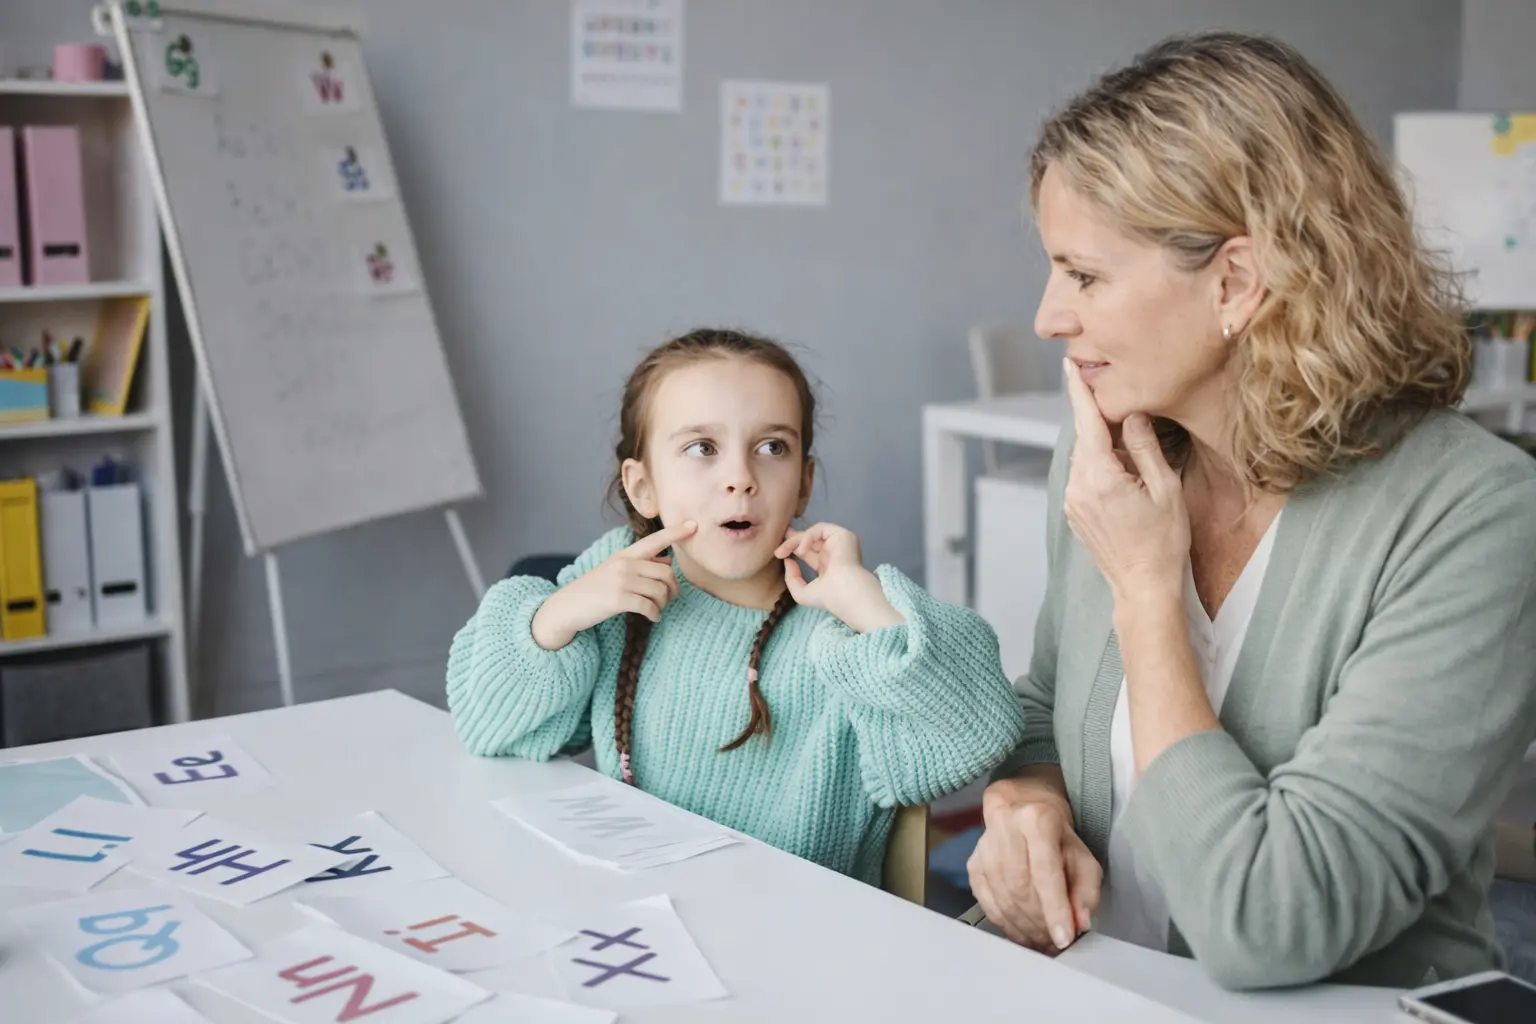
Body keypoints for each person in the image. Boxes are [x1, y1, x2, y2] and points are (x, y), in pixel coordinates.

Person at [965, 31, 1536, 989]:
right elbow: (1044, 710)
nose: (1048, 317)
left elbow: (1273, 925)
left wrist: (1151, 597)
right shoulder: (1111, 449)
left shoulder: (1477, 520)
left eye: (1086, 275)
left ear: (1235, 281)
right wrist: (1022, 806)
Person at [448, 327, 1026, 886]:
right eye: (702, 448)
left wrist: (868, 608)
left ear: (803, 483)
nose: (740, 479)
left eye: (772, 447)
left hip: (801, 942)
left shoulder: (841, 625)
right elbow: (488, 729)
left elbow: (976, 738)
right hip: (641, 917)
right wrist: (558, 616)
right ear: (641, 486)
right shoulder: (621, 581)